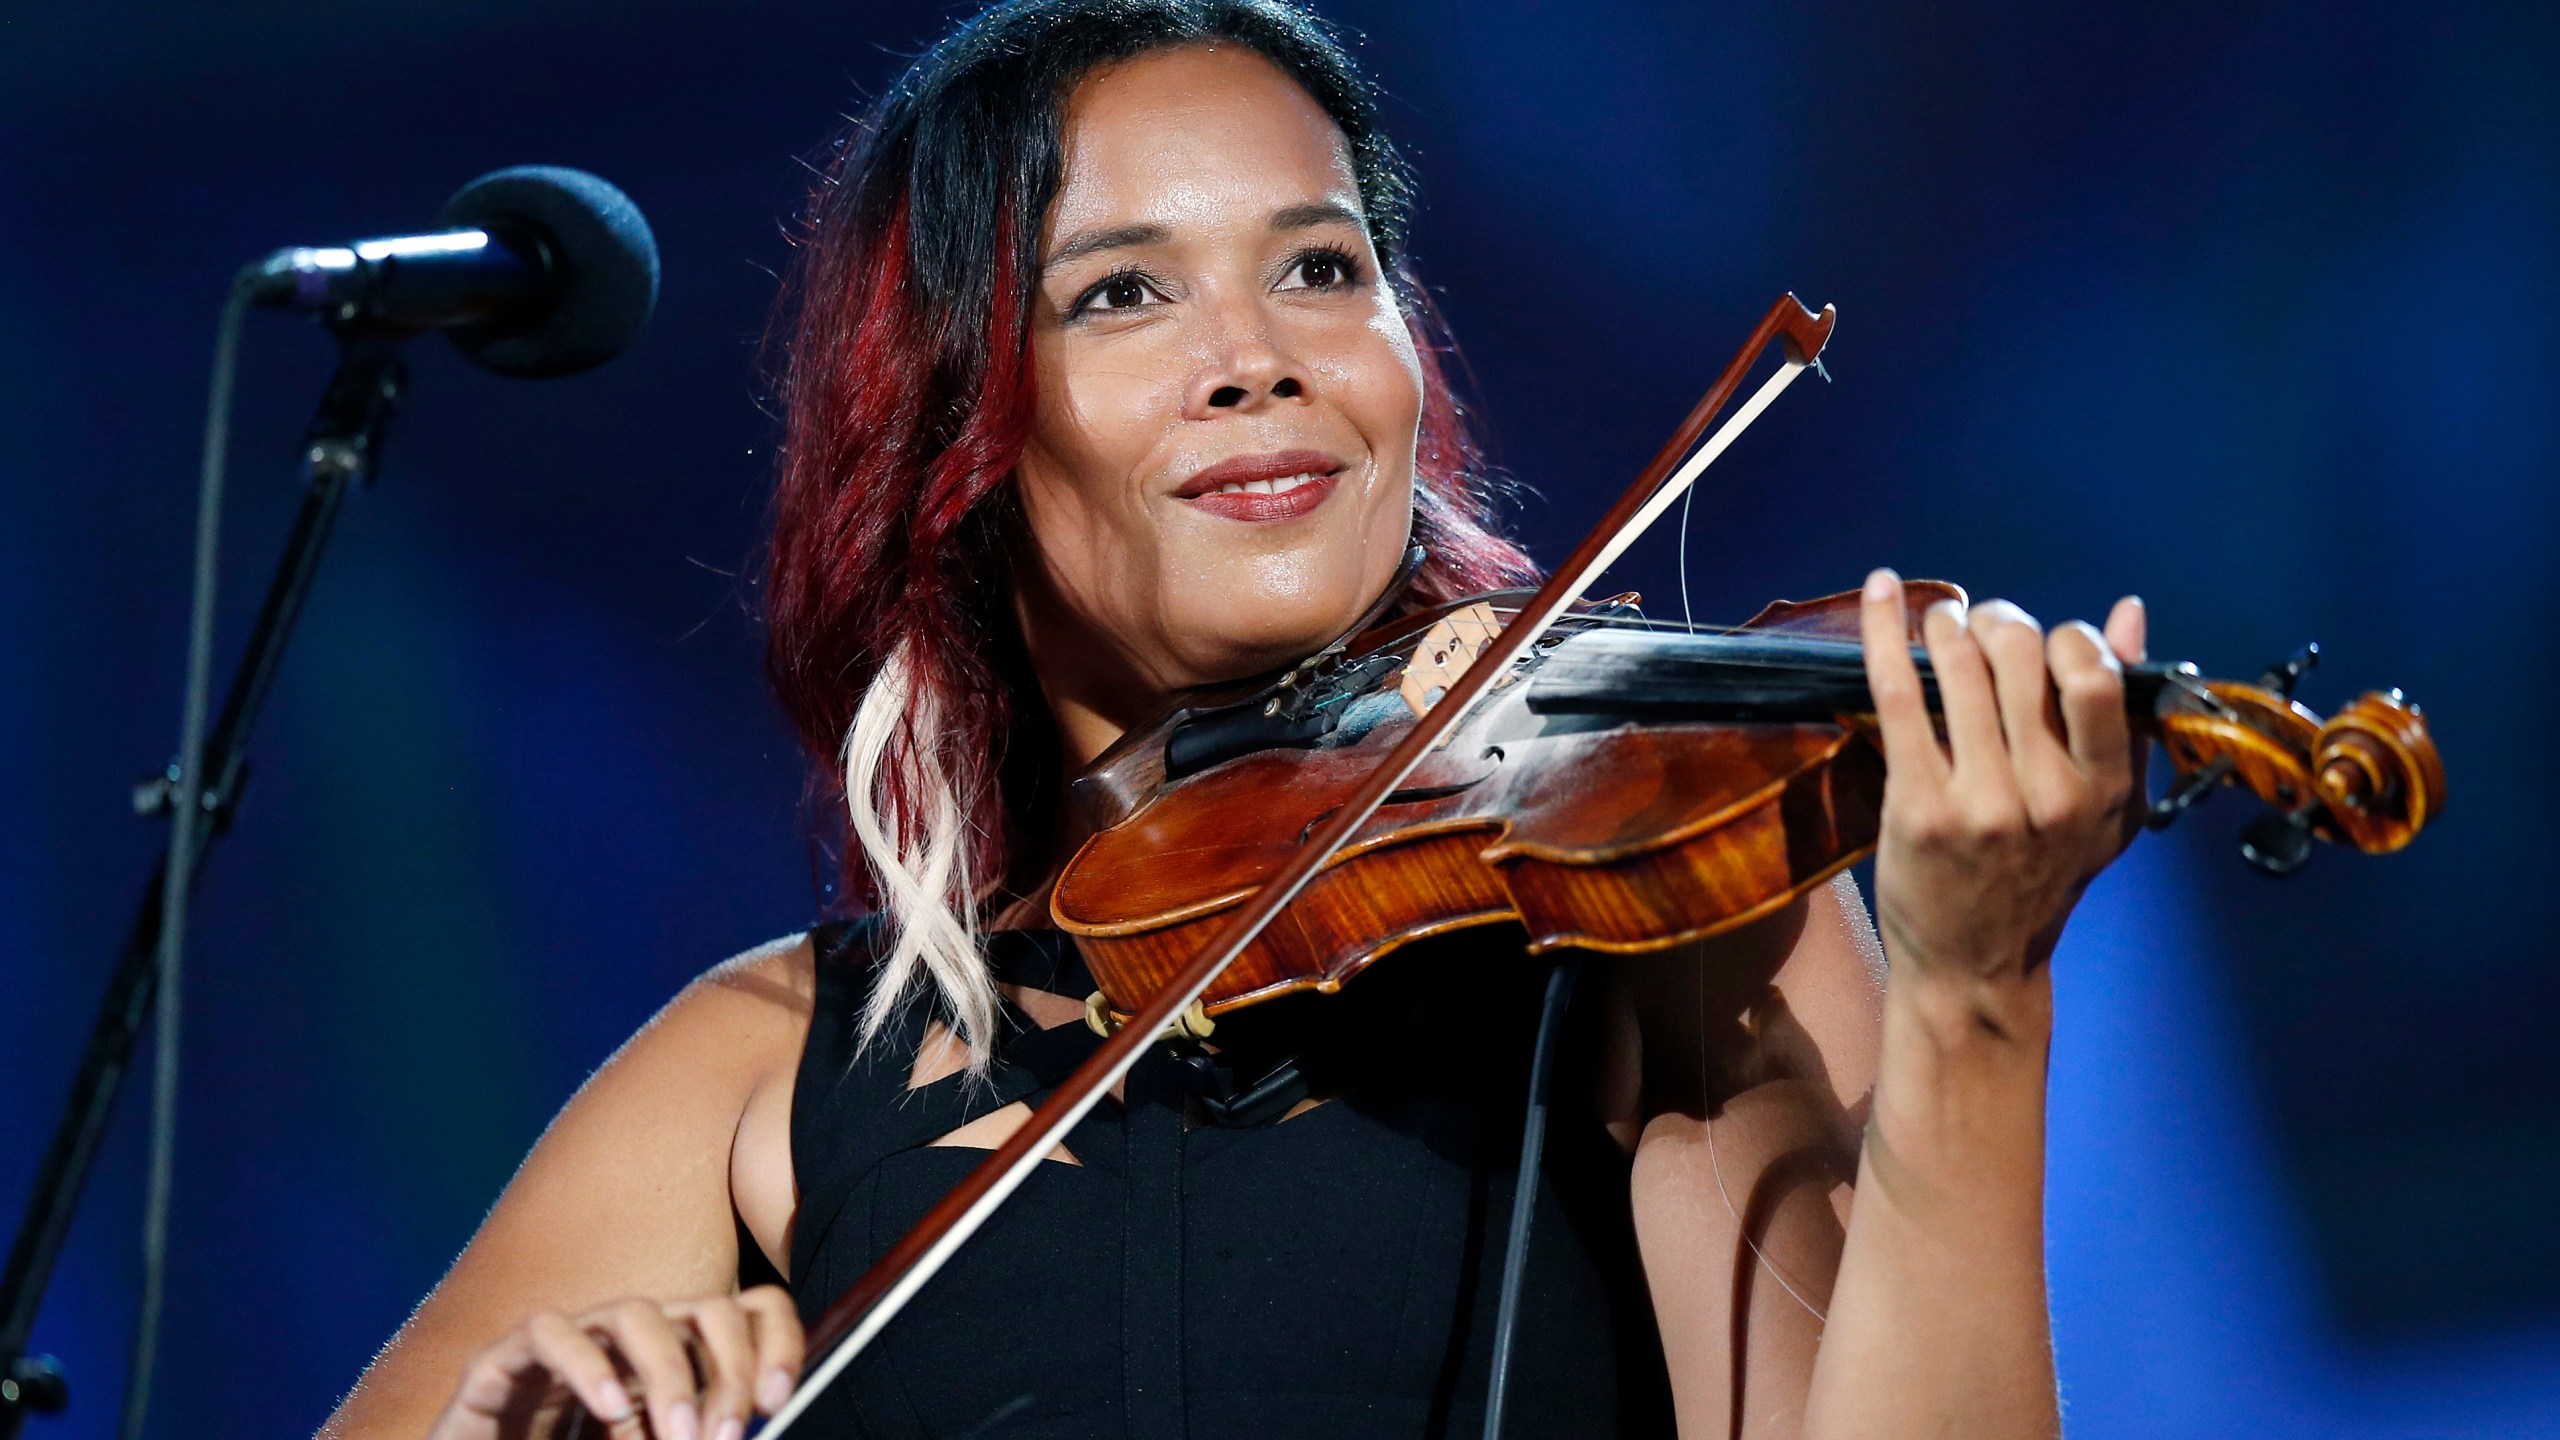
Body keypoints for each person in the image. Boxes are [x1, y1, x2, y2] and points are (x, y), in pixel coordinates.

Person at [318, 2, 2147, 1437]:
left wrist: (1977, 1005)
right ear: (954, 433)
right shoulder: (761, 1070)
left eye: (1323, 267)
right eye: (1121, 291)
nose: (1257, 356)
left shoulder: (1636, 910)